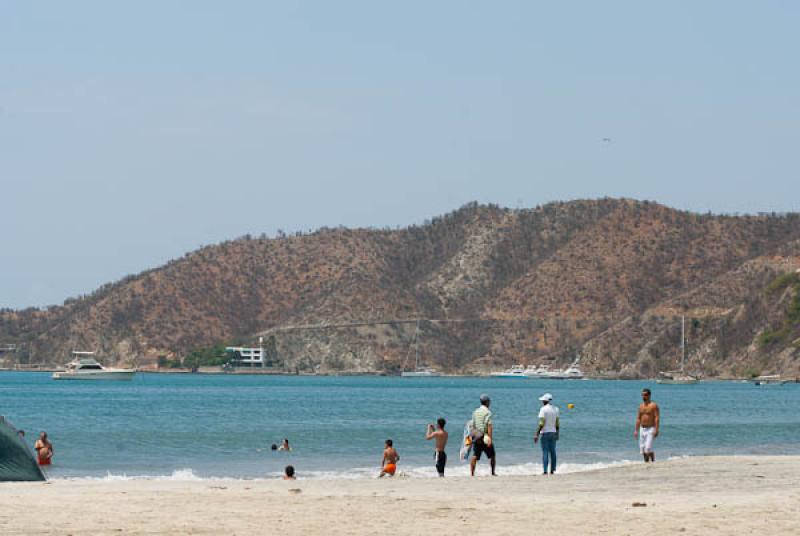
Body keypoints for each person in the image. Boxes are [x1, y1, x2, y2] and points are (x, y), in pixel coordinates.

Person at [470, 394, 496, 476]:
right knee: (492, 455)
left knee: (475, 455)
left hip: (476, 436)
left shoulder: (475, 411)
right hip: (484, 436)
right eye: (489, 401)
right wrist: (490, 439)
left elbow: (472, 425)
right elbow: (489, 426)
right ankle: (492, 472)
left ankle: (472, 474)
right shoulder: (488, 412)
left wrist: (472, 436)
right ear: (487, 402)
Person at [533, 393, 560, 475]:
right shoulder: (556, 409)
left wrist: (536, 434)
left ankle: (545, 471)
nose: (542, 402)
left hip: (545, 433)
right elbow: (557, 423)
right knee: (553, 452)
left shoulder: (543, 409)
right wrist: (558, 433)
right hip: (553, 432)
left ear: (545, 401)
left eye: (542, 400)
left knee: (545, 452)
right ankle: (552, 470)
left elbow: (541, 423)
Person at [634, 388, 660, 462]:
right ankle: (649, 462)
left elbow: (657, 418)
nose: (643, 397)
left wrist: (657, 430)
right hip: (642, 428)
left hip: (651, 428)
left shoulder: (654, 406)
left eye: (645, 395)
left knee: (647, 448)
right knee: (642, 448)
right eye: (642, 395)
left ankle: (649, 462)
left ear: (649, 395)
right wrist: (636, 430)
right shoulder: (641, 406)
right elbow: (638, 418)